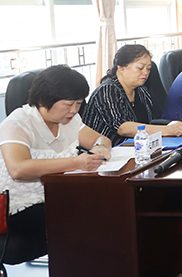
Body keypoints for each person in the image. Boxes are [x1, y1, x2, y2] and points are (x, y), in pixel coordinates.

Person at [0, 65, 111, 263]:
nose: (74, 110)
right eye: (68, 104)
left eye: (78, 103)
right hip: (18, 208)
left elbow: (100, 139)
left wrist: (100, 148)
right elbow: (18, 169)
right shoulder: (17, 124)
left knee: (108, 204)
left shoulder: (70, 120)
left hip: (57, 195)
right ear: (44, 100)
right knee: (88, 217)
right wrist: (75, 162)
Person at [82, 44, 182, 146]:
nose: (146, 73)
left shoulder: (141, 91)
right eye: (140, 68)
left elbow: (149, 122)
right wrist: (167, 130)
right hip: (107, 151)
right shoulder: (107, 90)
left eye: (148, 68)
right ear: (121, 68)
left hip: (137, 147)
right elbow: (122, 128)